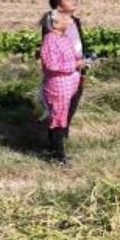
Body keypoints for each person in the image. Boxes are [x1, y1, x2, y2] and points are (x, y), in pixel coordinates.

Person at [41, 0, 91, 126]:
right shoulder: (52, 25)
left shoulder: (75, 21)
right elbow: (51, 54)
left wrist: (86, 59)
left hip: (78, 70)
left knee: (72, 106)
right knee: (59, 111)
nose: (73, 1)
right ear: (58, 7)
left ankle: (62, 137)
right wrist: (72, 65)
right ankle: (54, 143)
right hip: (62, 75)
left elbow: (80, 42)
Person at [38, 9, 82, 166]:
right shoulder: (50, 40)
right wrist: (75, 64)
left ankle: (56, 153)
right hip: (57, 86)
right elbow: (52, 65)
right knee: (58, 119)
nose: (68, 19)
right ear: (55, 23)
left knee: (61, 117)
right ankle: (58, 157)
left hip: (66, 85)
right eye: (63, 17)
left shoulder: (61, 37)